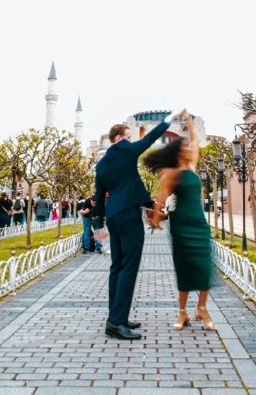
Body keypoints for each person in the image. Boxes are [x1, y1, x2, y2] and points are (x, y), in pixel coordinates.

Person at [93, 109, 180, 340]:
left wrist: (98, 226)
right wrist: (169, 119)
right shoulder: (125, 150)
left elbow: (99, 197)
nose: (132, 140)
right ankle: (115, 323)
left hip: (112, 216)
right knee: (129, 268)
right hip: (128, 216)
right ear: (119, 139)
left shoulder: (101, 165)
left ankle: (117, 317)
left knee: (117, 267)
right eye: (129, 136)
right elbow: (150, 139)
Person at [143, 111, 217, 333]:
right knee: (184, 269)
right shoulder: (171, 173)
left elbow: (195, 140)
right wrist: (156, 221)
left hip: (199, 225)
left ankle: (202, 308)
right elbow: (160, 200)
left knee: (204, 266)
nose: (189, 148)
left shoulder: (192, 166)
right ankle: (182, 312)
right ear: (177, 151)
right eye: (184, 147)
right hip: (182, 226)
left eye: (189, 147)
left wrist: (188, 121)